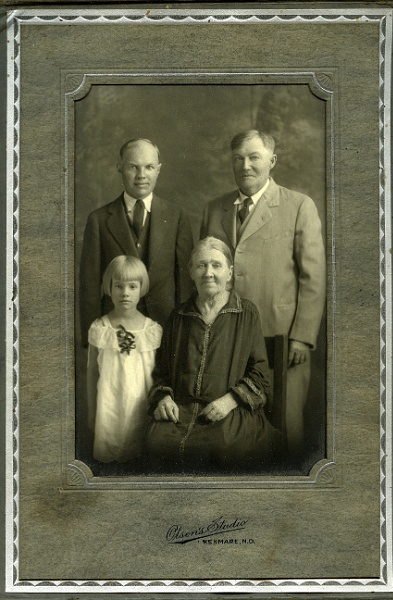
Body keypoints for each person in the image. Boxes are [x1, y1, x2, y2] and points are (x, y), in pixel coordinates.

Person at [200, 130, 326, 460]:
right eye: (238, 158)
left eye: (254, 157)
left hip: (282, 338)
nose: (246, 165)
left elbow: (313, 277)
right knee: (235, 424)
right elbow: (206, 276)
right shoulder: (215, 209)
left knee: (285, 423)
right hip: (229, 337)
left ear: (272, 161)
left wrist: (302, 336)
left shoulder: (299, 205)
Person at [145, 237, 280, 474]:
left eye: (216, 265)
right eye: (201, 265)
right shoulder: (178, 316)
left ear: (229, 272)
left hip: (230, 412)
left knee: (225, 447)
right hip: (182, 411)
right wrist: (163, 399)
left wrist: (229, 400)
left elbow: (260, 374)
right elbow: (161, 373)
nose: (208, 273)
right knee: (157, 442)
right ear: (191, 273)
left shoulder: (246, 313)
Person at [79, 138, 193, 347]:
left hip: (164, 329)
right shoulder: (99, 219)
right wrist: (92, 340)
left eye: (149, 167)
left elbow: (185, 283)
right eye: (133, 167)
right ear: (120, 168)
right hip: (114, 332)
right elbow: (89, 287)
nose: (142, 175)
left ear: (158, 170)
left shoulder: (177, 216)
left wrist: (184, 334)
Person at [86, 255, 162, 469]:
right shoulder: (100, 328)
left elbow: (158, 375)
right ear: (110, 288)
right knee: (110, 464)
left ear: (141, 288)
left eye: (132, 286)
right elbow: (92, 372)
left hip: (141, 406)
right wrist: (92, 412)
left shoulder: (152, 330)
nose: (125, 293)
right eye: (118, 286)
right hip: (109, 407)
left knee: (140, 460)